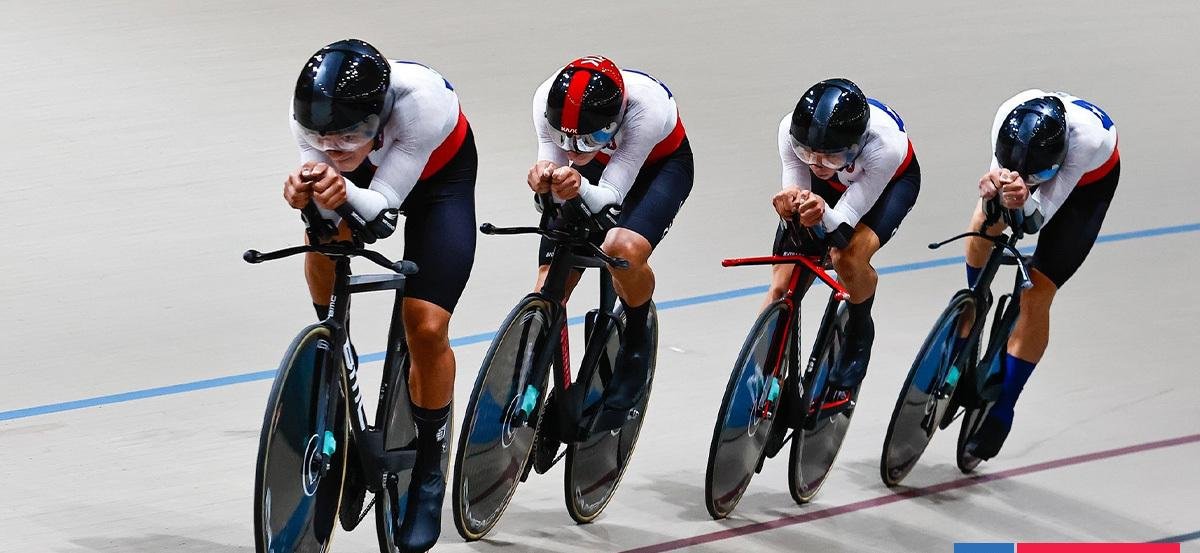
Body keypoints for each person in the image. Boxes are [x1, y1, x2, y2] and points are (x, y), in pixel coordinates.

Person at [282, 38, 476, 551]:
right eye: (321, 138)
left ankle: (430, 473)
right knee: (322, 231)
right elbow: (330, 191)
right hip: (366, 175)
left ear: (379, 116)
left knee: (426, 327)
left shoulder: (421, 108)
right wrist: (308, 193)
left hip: (437, 182)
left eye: (348, 135)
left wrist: (342, 189)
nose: (332, 147)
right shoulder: (311, 119)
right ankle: (332, 347)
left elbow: (382, 216)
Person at [526, 55, 693, 433]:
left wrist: (579, 183)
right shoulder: (545, 100)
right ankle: (528, 374)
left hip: (654, 168)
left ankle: (636, 338)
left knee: (622, 248)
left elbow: (611, 194)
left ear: (614, 121)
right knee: (548, 283)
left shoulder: (645, 109)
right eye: (563, 137)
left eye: (591, 137)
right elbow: (554, 172)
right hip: (593, 171)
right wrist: (543, 179)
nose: (572, 148)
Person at [964, 89, 1120, 460]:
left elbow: (1035, 220)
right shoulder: (1007, 116)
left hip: (1086, 185)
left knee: (1036, 291)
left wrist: (1026, 195)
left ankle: (1004, 408)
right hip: (1035, 163)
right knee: (984, 222)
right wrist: (996, 191)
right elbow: (995, 195)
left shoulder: (1086, 140)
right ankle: (973, 300)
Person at [770, 78, 920, 400]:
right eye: (805, 152)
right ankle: (762, 371)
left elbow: (840, 229)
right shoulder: (789, 131)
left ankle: (858, 329)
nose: (815, 163)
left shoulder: (884, 148)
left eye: (830, 157)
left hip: (887, 187)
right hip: (836, 186)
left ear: (854, 149)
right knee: (781, 286)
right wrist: (790, 206)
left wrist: (823, 213)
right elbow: (797, 193)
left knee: (846, 257)